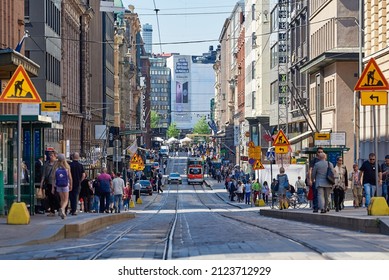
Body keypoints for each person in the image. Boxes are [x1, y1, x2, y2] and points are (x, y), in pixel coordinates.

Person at [54, 153, 73, 219]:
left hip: (58, 185)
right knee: (66, 200)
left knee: (62, 199)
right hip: (65, 185)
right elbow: (70, 177)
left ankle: (63, 214)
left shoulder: (56, 167)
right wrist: (71, 184)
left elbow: (54, 178)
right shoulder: (67, 167)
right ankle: (62, 209)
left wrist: (53, 187)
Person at [40, 151, 59, 216]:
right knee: (50, 197)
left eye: (52, 155)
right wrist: (42, 182)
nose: (50, 157)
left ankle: (58, 208)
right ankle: (52, 210)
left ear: (55, 156)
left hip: (56, 183)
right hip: (49, 182)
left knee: (56, 196)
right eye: (50, 155)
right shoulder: (46, 164)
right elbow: (44, 174)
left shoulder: (57, 164)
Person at [308, 147, 324, 213]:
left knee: (322, 194)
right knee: (315, 193)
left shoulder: (324, 160)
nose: (320, 153)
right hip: (315, 179)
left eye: (321, 152)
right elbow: (310, 170)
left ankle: (323, 207)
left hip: (323, 180)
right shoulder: (314, 160)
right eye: (319, 152)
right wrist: (310, 179)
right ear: (316, 153)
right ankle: (316, 207)